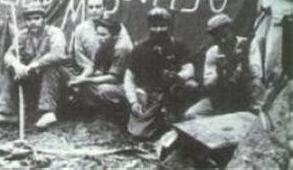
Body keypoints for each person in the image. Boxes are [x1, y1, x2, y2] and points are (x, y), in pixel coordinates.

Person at [0, 2, 68, 129]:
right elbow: (9, 55)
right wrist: (17, 65)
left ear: (44, 20)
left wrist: (34, 65)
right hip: (35, 79)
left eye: (36, 18)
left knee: (51, 68)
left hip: (59, 79)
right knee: (8, 69)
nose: (32, 22)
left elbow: (58, 54)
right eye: (29, 19)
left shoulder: (54, 33)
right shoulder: (23, 35)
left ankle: (48, 112)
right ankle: (7, 112)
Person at [124, 8, 197, 139]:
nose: (159, 30)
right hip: (150, 95)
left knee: (191, 86)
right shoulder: (140, 48)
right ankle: (156, 121)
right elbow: (129, 78)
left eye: (163, 26)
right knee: (139, 133)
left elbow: (189, 67)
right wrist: (133, 101)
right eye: (155, 26)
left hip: (172, 92)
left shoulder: (178, 45)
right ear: (149, 27)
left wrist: (179, 76)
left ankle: (177, 119)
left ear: (169, 27)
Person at [185, 14, 264, 119]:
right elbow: (208, 84)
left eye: (225, 35)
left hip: (245, 94)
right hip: (222, 95)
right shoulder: (213, 53)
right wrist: (220, 71)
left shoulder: (248, 45)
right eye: (217, 38)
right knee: (192, 114)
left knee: (257, 91)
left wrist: (244, 62)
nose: (223, 40)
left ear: (232, 31)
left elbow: (257, 73)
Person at [68, 18, 129, 111]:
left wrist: (87, 80)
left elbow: (114, 78)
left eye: (103, 35)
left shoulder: (121, 49)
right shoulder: (103, 45)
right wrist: (81, 78)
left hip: (124, 85)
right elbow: (93, 66)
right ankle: (91, 108)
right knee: (84, 85)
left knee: (102, 90)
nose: (99, 38)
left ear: (114, 36)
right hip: (110, 82)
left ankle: (113, 110)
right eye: (98, 34)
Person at [73, 0, 133, 81]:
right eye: (91, 7)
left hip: (112, 74)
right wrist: (90, 72)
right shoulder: (80, 29)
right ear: (86, 9)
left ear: (104, 8)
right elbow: (80, 55)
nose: (94, 10)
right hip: (89, 72)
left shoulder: (115, 27)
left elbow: (125, 49)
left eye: (98, 7)